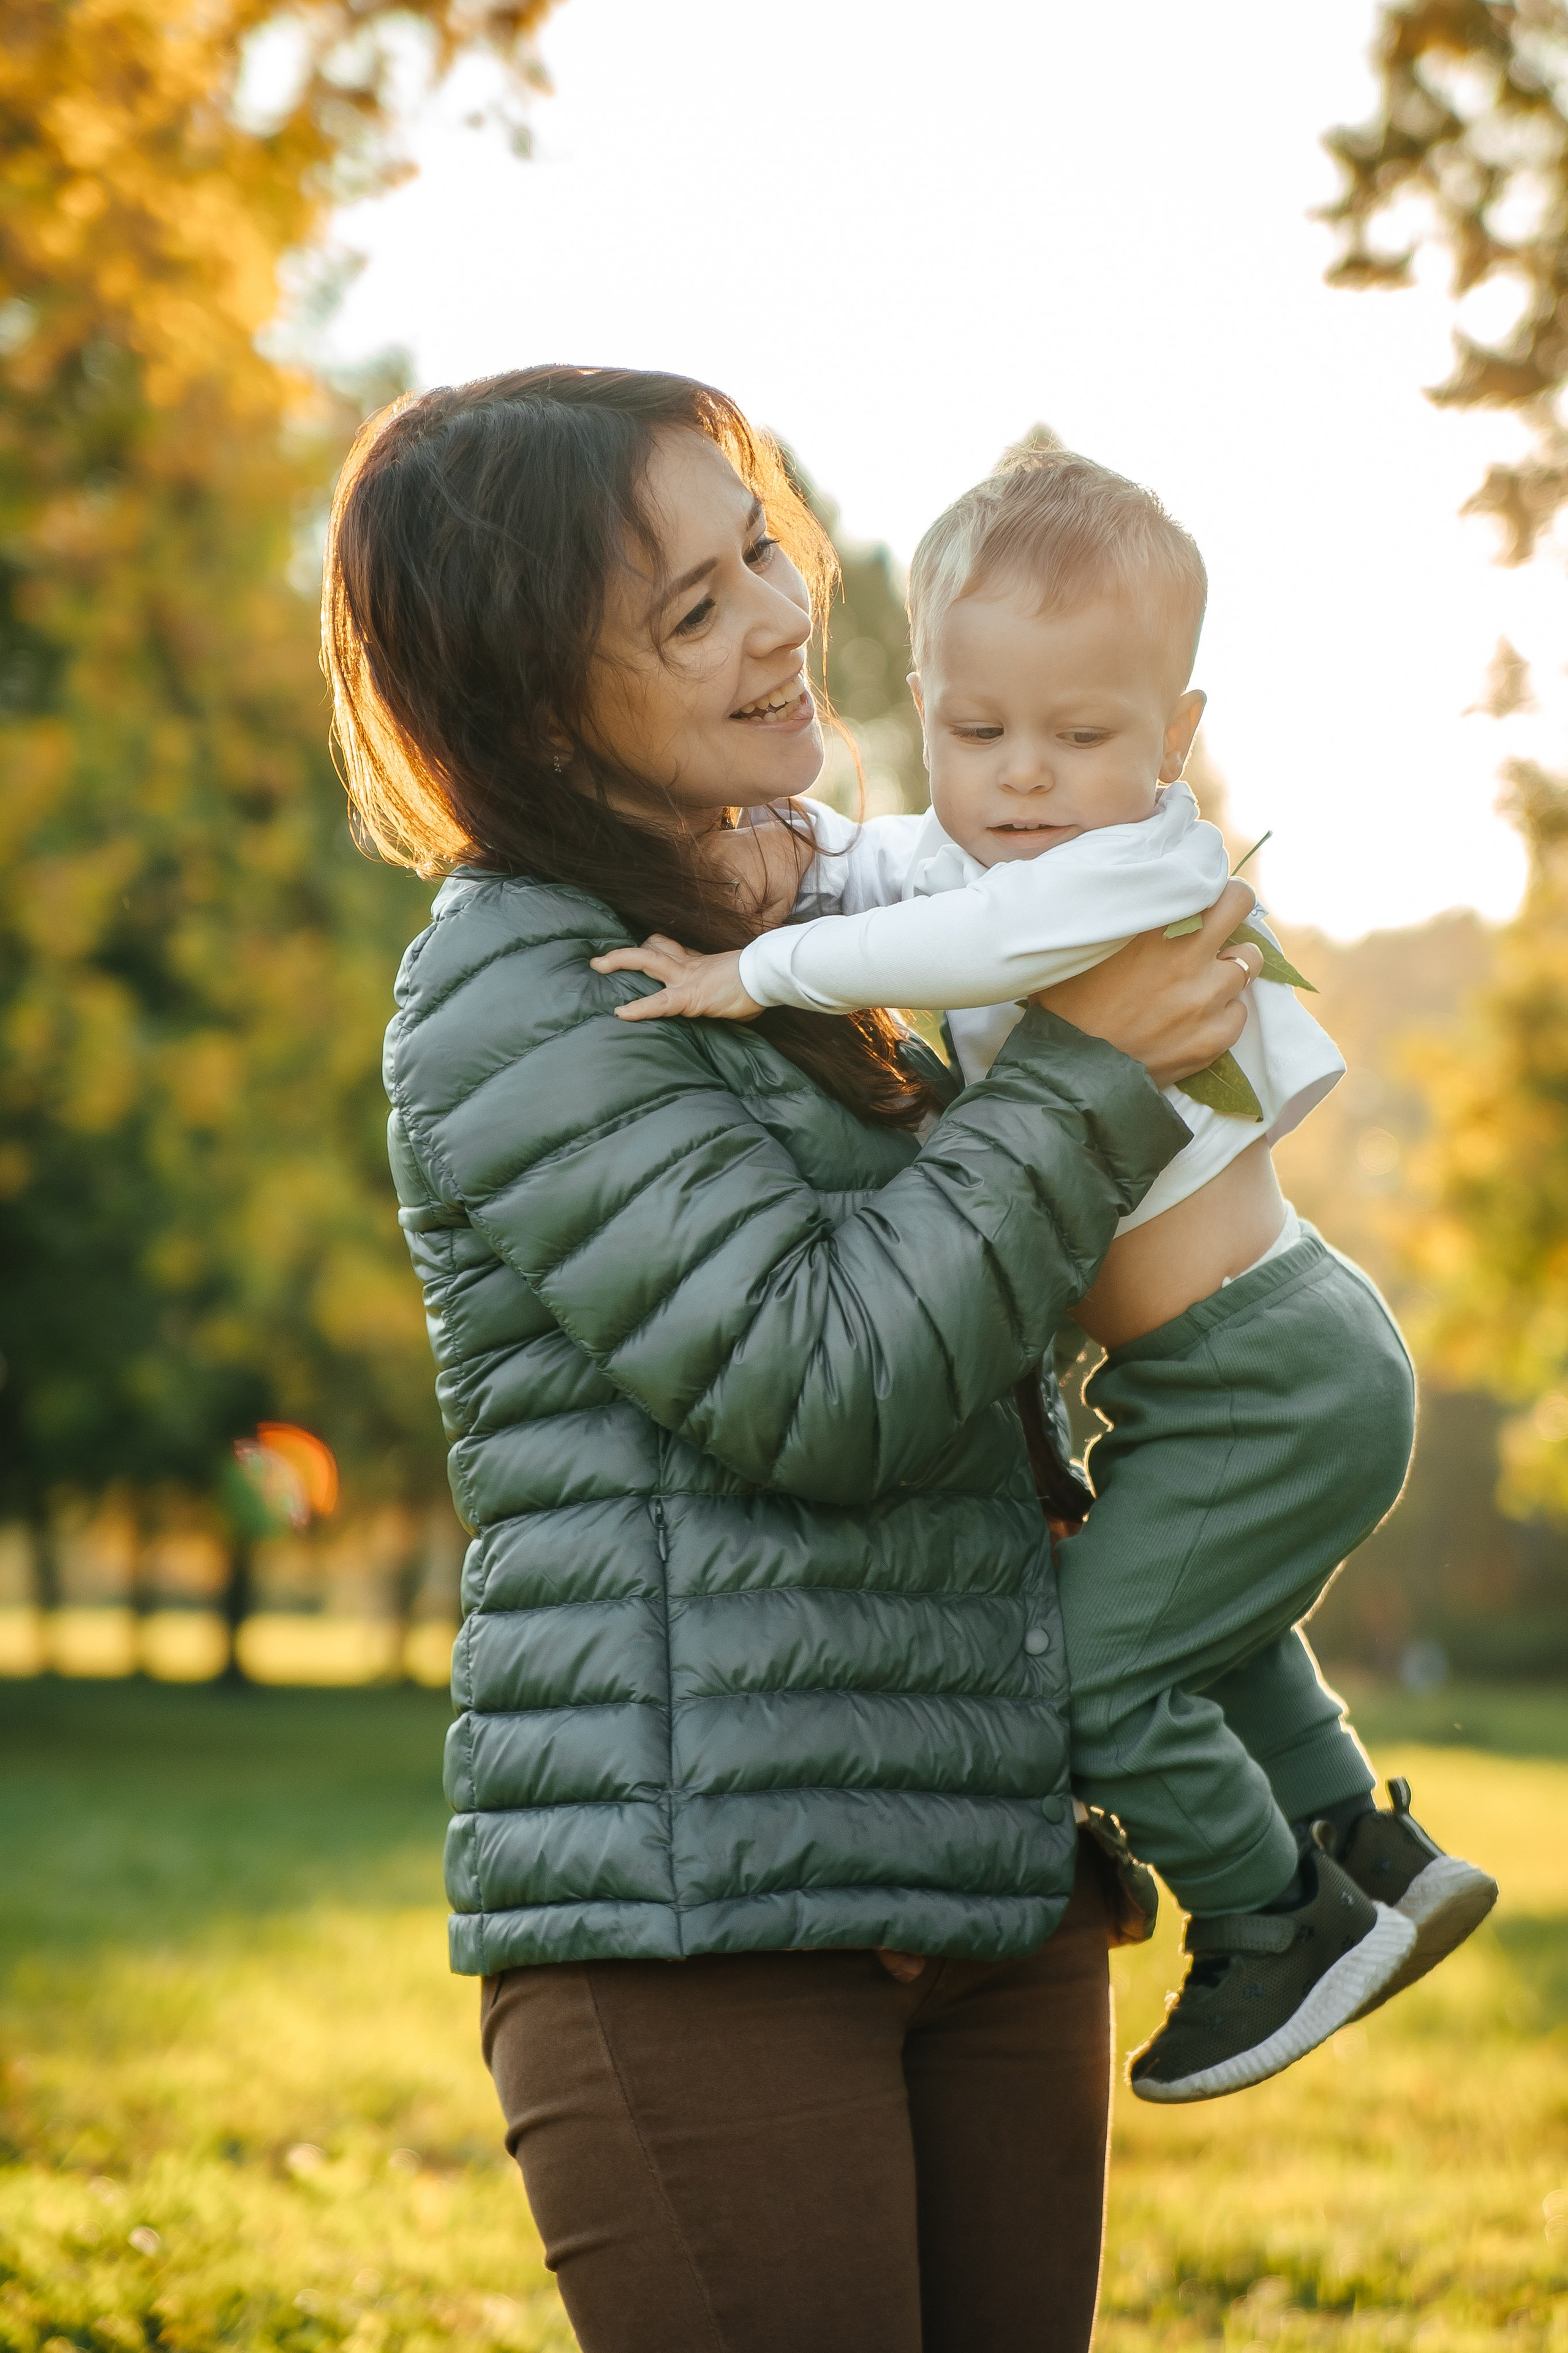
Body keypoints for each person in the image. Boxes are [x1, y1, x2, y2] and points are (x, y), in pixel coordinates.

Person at [321, 364, 1265, 2353]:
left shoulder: (826, 911)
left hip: (988, 1874)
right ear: (538, 709)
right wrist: (1091, 1067)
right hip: (709, 1917)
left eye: (759, 549)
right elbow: (821, 1376)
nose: (777, 616)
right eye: (692, 608)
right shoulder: (523, 991)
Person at [592, 444, 1498, 2106]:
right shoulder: (992, 844)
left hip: (1269, 1368)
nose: (1022, 777)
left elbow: (959, 946)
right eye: (976, 730)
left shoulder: (1134, 862)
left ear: (1173, 734)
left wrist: (757, 967)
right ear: (926, 705)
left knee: (1093, 1672)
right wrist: (785, 849)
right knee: (1200, 1617)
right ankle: (1366, 1842)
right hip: (1227, 1372)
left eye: (1080, 737)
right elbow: (894, 869)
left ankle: (1278, 1918)